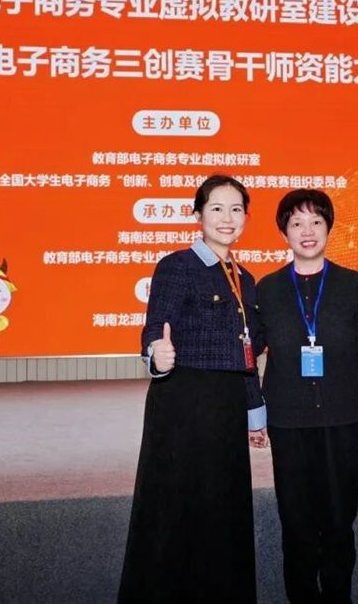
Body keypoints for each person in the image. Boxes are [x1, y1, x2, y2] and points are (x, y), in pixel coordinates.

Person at [118, 174, 264, 603]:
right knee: (173, 510)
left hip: (227, 407)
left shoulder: (245, 278)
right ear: (198, 214)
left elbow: (246, 351)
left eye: (236, 209)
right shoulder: (177, 266)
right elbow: (154, 329)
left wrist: (255, 411)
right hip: (182, 404)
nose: (227, 218)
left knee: (223, 510)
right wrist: (156, 354)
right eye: (216, 208)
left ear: (245, 218)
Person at [254, 188, 358, 603]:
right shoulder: (268, 289)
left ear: (329, 228)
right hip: (288, 420)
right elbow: (250, 351)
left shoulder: (353, 284)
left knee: (338, 520)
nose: (307, 230)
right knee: (295, 521)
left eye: (316, 221)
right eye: (296, 223)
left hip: (341, 418)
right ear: (284, 233)